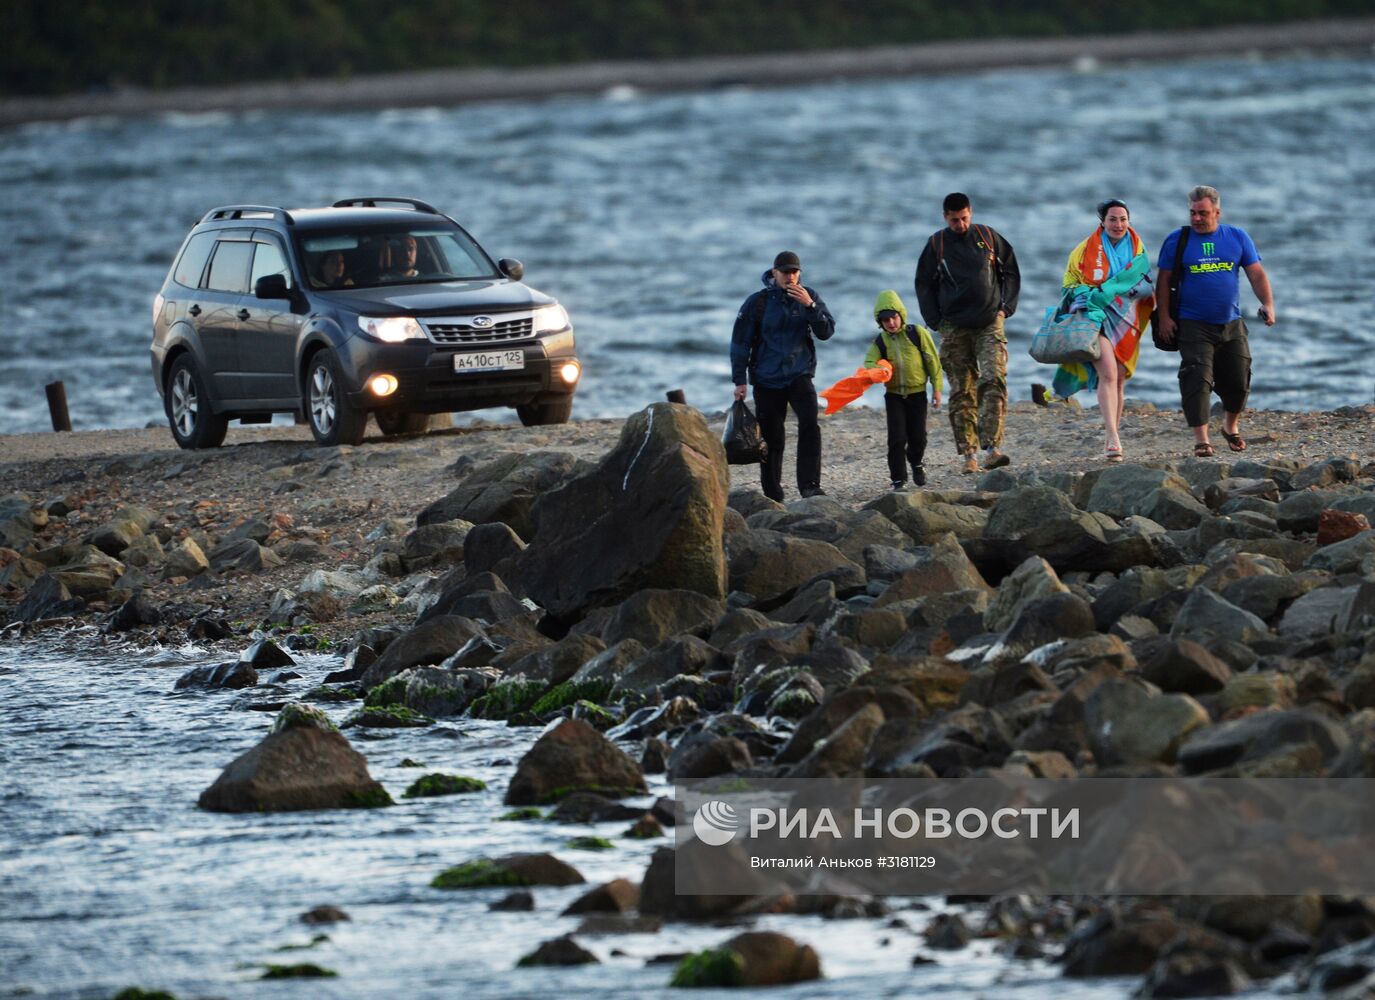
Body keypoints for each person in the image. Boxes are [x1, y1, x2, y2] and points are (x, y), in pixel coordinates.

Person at [1154, 186, 1275, 456]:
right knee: (1197, 378)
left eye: (1203, 213)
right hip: (1192, 323)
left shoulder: (1237, 237)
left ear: (1217, 212)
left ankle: (1230, 427)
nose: (1197, 218)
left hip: (1231, 322)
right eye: (1193, 213)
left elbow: (1256, 274)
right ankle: (1202, 440)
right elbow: (1163, 282)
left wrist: (1267, 303)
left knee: (1239, 382)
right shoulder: (1177, 240)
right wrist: (1163, 317)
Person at [915, 192, 1021, 474]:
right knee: (962, 391)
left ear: (970, 213)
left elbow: (1010, 270)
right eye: (954, 220)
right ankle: (968, 455)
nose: (960, 225)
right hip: (953, 327)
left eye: (963, 218)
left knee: (994, 379)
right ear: (945, 217)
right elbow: (923, 283)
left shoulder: (987, 236)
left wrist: (1005, 308)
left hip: (989, 322)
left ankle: (993, 448)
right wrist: (934, 320)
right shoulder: (936, 244)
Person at [1047, 199, 1155, 462]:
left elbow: (1147, 286)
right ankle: (1112, 439)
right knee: (1107, 373)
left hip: (1125, 320)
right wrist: (1089, 294)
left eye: (1122, 219)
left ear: (1129, 221)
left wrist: (1116, 290)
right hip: (1094, 318)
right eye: (1112, 219)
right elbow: (1068, 285)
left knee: (1118, 377)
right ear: (1102, 222)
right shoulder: (1083, 251)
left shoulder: (1138, 251)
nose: (1118, 225)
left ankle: (1113, 434)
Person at [730, 250, 836, 502]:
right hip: (766, 378)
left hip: (799, 374)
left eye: (794, 272)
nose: (790, 276)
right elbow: (739, 342)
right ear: (774, 272)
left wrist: (809, 306)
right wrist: (739, 380)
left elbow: (827, 332)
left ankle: (810, 486)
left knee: (810, 424)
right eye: (785, 272)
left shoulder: (809, 296)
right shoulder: (758, 302)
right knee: (771, 437)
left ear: (799, 273)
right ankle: (772, 492)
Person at [863, 290, 943, 490]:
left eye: (894, 317)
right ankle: (898, 479)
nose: (891, 323)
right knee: (897, 438)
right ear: (879, 322)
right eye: (885, 320)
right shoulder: (880, 341)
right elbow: (869, 361)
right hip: (894, 396)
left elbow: (933, 362)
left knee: (919, 438)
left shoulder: (917, 334)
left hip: (917, 394)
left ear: (901, 315)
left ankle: (916, 463)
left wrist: (937, 389)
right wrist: (878, 368)